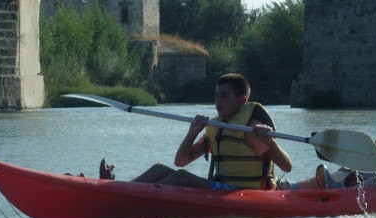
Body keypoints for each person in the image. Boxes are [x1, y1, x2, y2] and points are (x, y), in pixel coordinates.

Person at [116, 73, 293, 189]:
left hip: (242, 192)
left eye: (224, 96)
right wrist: (192, 132)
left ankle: (139, 200)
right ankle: (117, 190)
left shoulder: (251, 129)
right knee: (158, 169)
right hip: (219, 186)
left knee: (182, 177)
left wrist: (269, 139)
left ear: (242, 100)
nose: (218, 102)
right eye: (216, 96)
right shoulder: (216, 127)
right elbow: (181, 161)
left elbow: (287, 166)